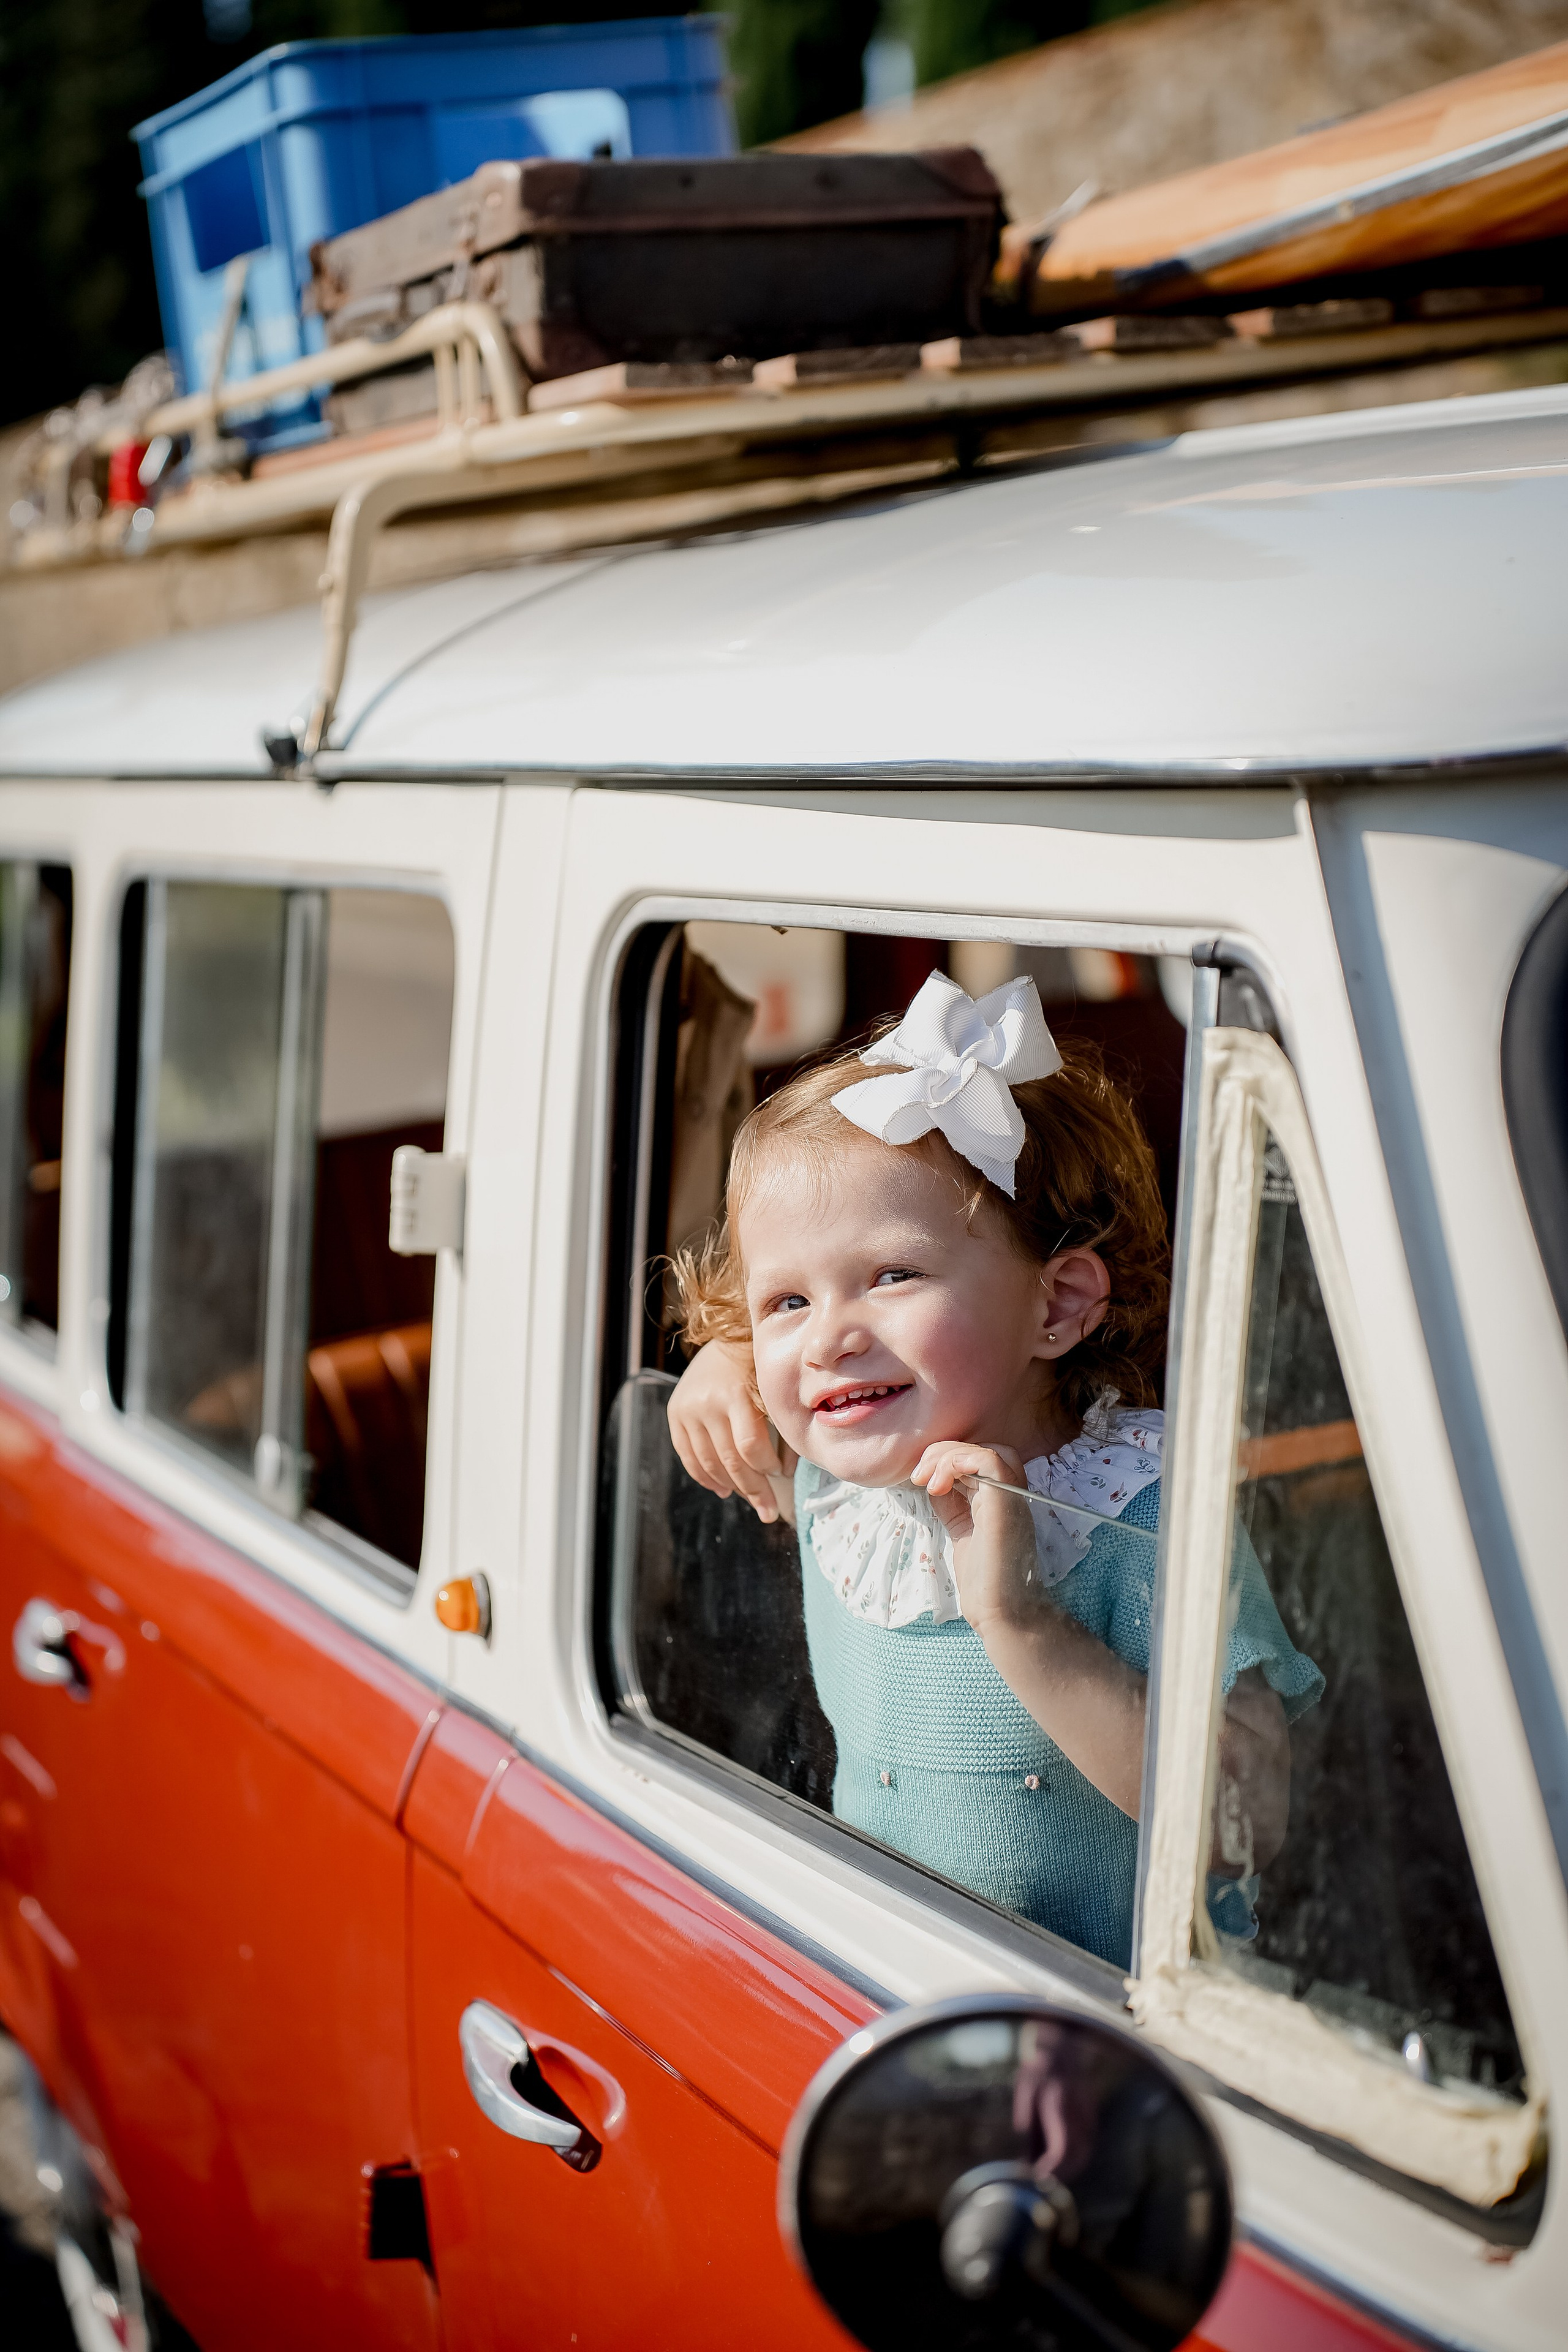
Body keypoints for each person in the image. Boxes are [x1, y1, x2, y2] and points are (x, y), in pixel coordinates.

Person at [668, 971, 1322, 1972]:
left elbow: (1249, 1816)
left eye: (893, 1276)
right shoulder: (842, 1479)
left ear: (1057, 1306)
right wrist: (720, 1363)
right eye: (785, 1303)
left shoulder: (1140, 1513)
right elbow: (773, 1365)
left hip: (1107, 2034)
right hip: (893, 1978)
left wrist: (1022, 1623)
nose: (827, 1340)